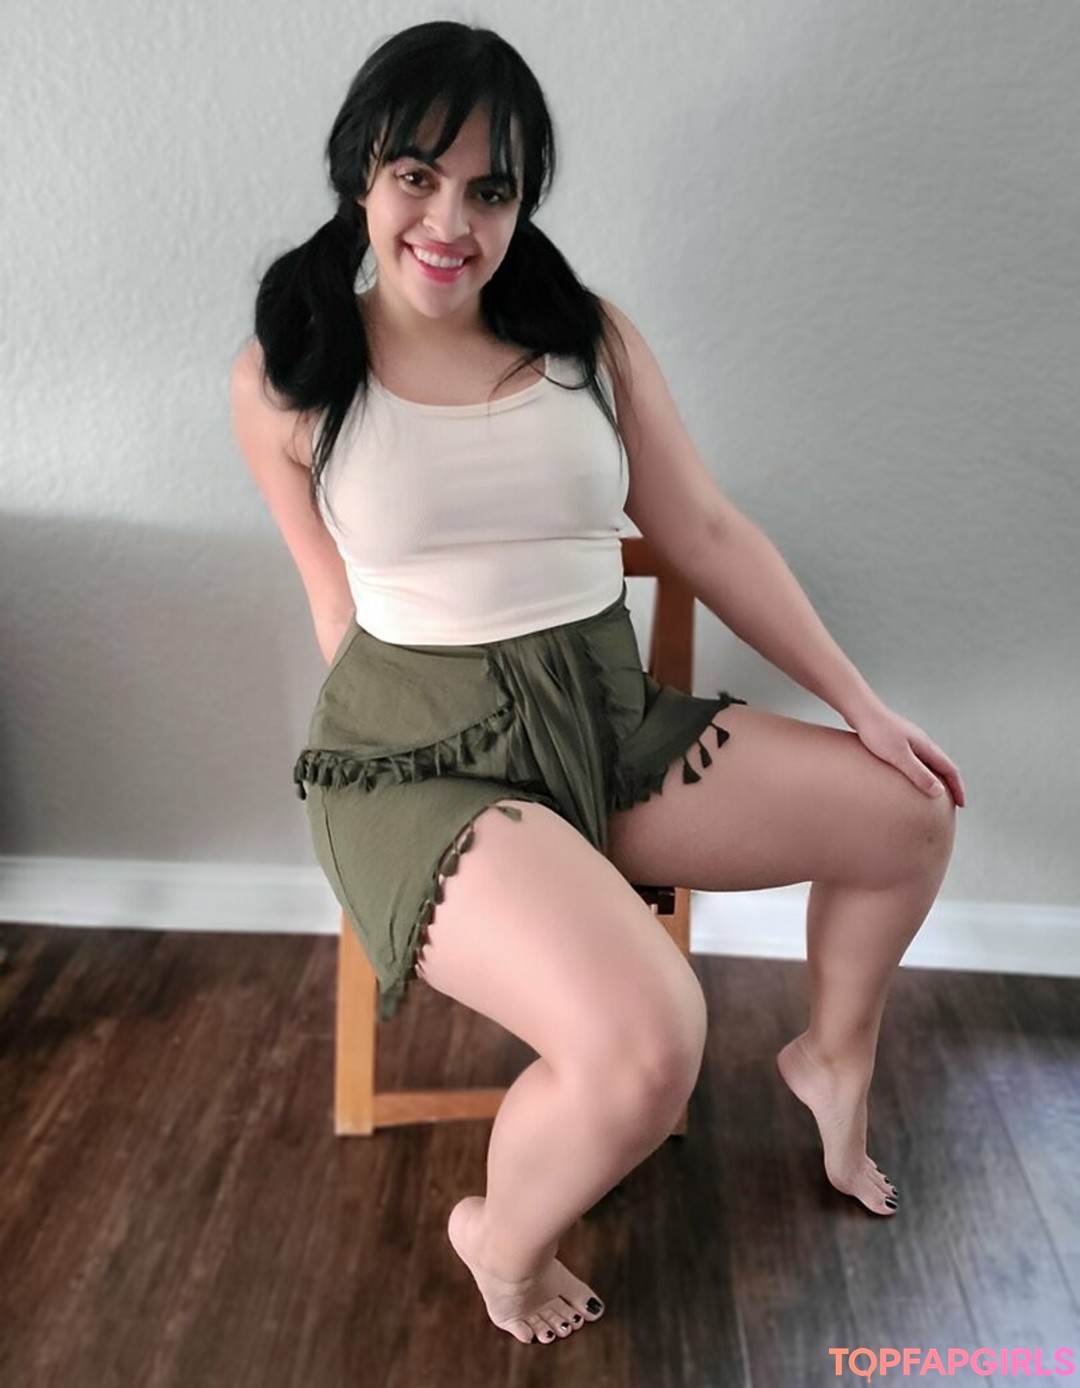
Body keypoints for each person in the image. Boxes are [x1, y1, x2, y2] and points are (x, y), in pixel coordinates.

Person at [229, 20, 966, 1349]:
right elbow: (337, 608)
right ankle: (500, 1243)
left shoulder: (588, 341)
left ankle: (831, 1059)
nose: (450, 222)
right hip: (415, 763)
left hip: (604, 725)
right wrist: (424, 820)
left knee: (910, 812)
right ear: (362, 175)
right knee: (647, 1047)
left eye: (490, 189)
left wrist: (861, 705)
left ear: (524, 202)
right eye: (416, 177)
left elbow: (708, 535)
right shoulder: (289, 375)